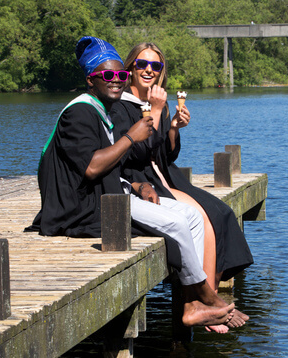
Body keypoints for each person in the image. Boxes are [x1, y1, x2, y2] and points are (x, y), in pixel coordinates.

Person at [27, 36, 238, 329]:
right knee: (177, 224)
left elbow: (126, 163)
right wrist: (131, 137)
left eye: (120, 75)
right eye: (108, 76)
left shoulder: (104, 108)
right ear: (91, 80)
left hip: (116, 194)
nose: (116, 81)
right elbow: (91, 168)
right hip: (86, 208)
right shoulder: (78, 112)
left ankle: (191, 303)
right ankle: (206, 296)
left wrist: (138, 185)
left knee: (190, 216)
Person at [109, 42, 252, 332]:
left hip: (164, 172)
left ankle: (207, 297)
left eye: (156, 66)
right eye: (142, 64)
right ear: (130, 68)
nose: (149, 70)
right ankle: (202, 302)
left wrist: (173, 128)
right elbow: (135, 154)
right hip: (139, 177)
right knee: (200, 217)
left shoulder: (155, 98)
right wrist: (159, 113)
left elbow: (165, 154)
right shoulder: (121, 105)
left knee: (221, 212)